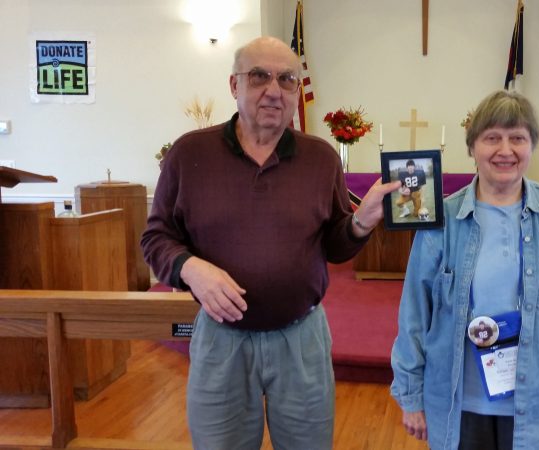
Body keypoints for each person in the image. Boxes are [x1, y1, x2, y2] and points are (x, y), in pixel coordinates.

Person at [141, 36, 398, 450]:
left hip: (301, 340)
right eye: (259, 76)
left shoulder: (321, 158)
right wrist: (191, 267)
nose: (274, 90)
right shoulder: (191, 153)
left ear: (297, 92)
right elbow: (155, 236)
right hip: (221, 340)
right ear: (233, 85)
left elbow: (334, 245)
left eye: (287, 80)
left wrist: (361, 223)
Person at [390, 90, 539, 450]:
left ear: (532, 145)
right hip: (460, 403)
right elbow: (414, 314)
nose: (505, 150)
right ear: (472, 147)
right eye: (492, 138)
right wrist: (411, 395)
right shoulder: (442, 221)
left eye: (517, 138)